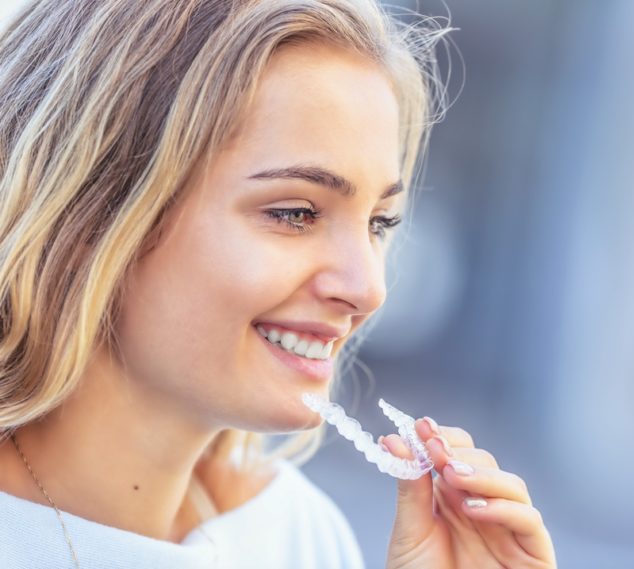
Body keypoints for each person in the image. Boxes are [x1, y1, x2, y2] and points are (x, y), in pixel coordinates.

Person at [0, 1, 557, 568]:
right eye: (296, 212)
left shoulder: (298, 536)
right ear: (84, 218)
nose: (367, 289)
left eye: (379, 223)